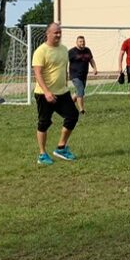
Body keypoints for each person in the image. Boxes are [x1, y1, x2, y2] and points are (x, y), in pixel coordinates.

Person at [32, 22, 78, 165]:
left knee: (73, 116)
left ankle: (61, 148)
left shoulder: (64, 49)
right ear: (48, 34)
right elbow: (37, 73)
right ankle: (42, 154)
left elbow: (63, 70)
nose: (58, 35)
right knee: (44, 123)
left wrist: (66, 86)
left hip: (62, 92)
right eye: (55, 32)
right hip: (44, 94)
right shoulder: (41, 51)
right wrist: (46, 92)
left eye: (59, 32)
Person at [67, 35, 97, 113]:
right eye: (80, 41)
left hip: (84, 75)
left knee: (79, 91)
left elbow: (91, 60)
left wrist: (94, 68)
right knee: (80, 90)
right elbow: (64, 61)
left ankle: (68, 105)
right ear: (76, 42)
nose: (82, 43)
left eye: (83, 41)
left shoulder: (87, 50)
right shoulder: (71, 52)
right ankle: (81, 110)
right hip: (75, 75)